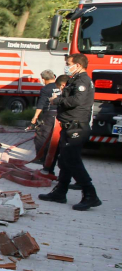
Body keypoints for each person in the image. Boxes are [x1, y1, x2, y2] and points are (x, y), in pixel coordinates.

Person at [39, 54, 100, 211]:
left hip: (77, 127)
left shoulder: (82, 81)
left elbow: (76, 101)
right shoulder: (75, 80)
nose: (66, 66)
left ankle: (90, 194)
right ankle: (60, 192)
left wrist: (56, 100)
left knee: (72, 160)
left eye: (68, 64)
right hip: (70, 126)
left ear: (78, 65)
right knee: (65, 160)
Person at [29, 70, 58, 162]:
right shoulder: (60, 86)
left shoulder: (45, 89)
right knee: (54, 137)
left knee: (41, 136)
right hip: (59, 115)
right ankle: (52, 158)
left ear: (43, 79)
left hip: (49, 115)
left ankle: (41, 158)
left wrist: (35, 117)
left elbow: (41, 104)